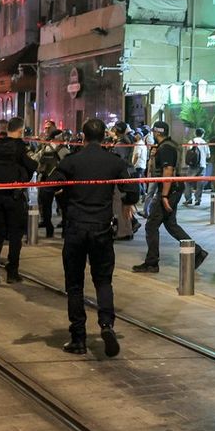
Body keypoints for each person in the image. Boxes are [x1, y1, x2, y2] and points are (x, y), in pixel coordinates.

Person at [50, 117, 133, 357]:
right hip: (101, 229)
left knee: (74, 285)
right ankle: (106, 325)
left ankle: (78, 338)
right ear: (104, 137)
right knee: (103, 280)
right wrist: (128, 202)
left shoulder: (72, 161)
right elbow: (133, 188)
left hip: (76, 228)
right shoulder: (113, 162)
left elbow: (51, 183)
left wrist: (61, 192)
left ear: (83, 137)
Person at [132, 121, 207, 273]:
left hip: (169, 190)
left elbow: (168, 170)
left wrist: (164, 195)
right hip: (173, 190)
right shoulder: (168, 145)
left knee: (151, 225)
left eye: (153, 131)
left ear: (157, 132)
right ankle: (197, 251)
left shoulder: (166, 148)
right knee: (171, 225)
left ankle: (152, 262)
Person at [0, 117, 37, 284]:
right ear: (20, 131)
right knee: (15, 235)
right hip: (14, 195)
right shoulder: (20, 147)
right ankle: (12, 272)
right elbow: (32, 166)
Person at [182, 128, 210, 206]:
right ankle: (198, 199)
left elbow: (188, 150)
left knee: (188, 182)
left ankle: (188, 199)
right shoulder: (205, 143)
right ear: (203, 134)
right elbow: (208, 155)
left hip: (193, 165)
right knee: (200, 183)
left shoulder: (191, 141)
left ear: (195, 133)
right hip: (202, 165)